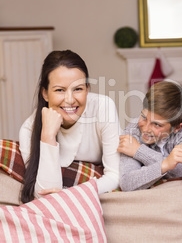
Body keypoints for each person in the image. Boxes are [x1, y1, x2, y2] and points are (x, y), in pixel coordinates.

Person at [19, 50, 120, 203]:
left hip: (81, 193)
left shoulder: (103, 107)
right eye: (59, 90)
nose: (70, 100)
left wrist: (71, 194)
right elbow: (45, 196)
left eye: (78, 89)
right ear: (45, 93)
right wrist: (47, 136)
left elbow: (115, 175)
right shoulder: (28, 130)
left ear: (87, 88)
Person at [118, 81, 182, 191]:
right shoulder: (132, 132)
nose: (146, 129)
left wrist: (139, 151)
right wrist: (166, 164)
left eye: (157, 124)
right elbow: (127, 183)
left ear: (177, 128)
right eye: (144, 117)